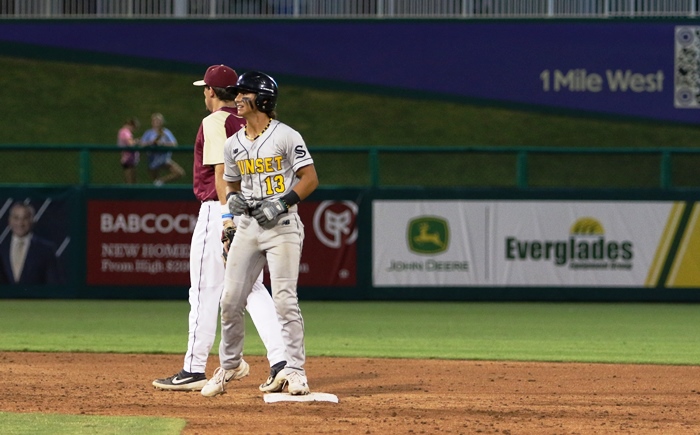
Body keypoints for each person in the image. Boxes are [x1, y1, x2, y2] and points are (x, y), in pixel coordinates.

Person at [152, 65, 287, 392]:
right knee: (253, 288)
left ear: (211, 92)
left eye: (205, 89)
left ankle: (193, 368)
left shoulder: (215, 121)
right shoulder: (256, 121)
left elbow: (219, 172)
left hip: (221, 210)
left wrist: (227, 222)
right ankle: (283, 361)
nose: (204, 93)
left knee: (202, 289)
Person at [200, 71, 319, 397]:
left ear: (263, 100)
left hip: (282, 227)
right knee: (230, 300)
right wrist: (233, 202)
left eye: (245, 94)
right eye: (237, 93)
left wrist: (282, 203)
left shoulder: (285, 135)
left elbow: (309, 179)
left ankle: (295, 371)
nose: (237, 99)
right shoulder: (234, 143)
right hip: (249, 227)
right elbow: (230, 182)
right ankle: (229, 365)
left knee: (284, 300)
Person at [0, 202, 64, 285]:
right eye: (16, 218)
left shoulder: (46, 249)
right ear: (9, 220)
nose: (20, 223)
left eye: (25, 218)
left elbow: (54, 283)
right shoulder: (2, 248)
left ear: (32, 220)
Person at [139, 113, 185, 186]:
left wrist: (162, 144)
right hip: (152, 159)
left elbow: (174, 144)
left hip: (164, 158)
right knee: (154, 181)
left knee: (179, 173)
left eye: (159, 121)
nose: (157, 123)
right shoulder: (148, 133)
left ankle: (161, 180)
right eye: (155, 121)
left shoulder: (166, 132)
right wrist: (151, 143)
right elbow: (142, 144)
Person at [117, 117, 140, 184]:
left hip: (129, 158)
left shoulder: (123, 132)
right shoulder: (125, 132)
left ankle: (131, 191)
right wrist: (137, 141)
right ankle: (130, 192)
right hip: (128, 158)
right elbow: (130, 143)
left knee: (132, 178)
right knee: (130, 180)